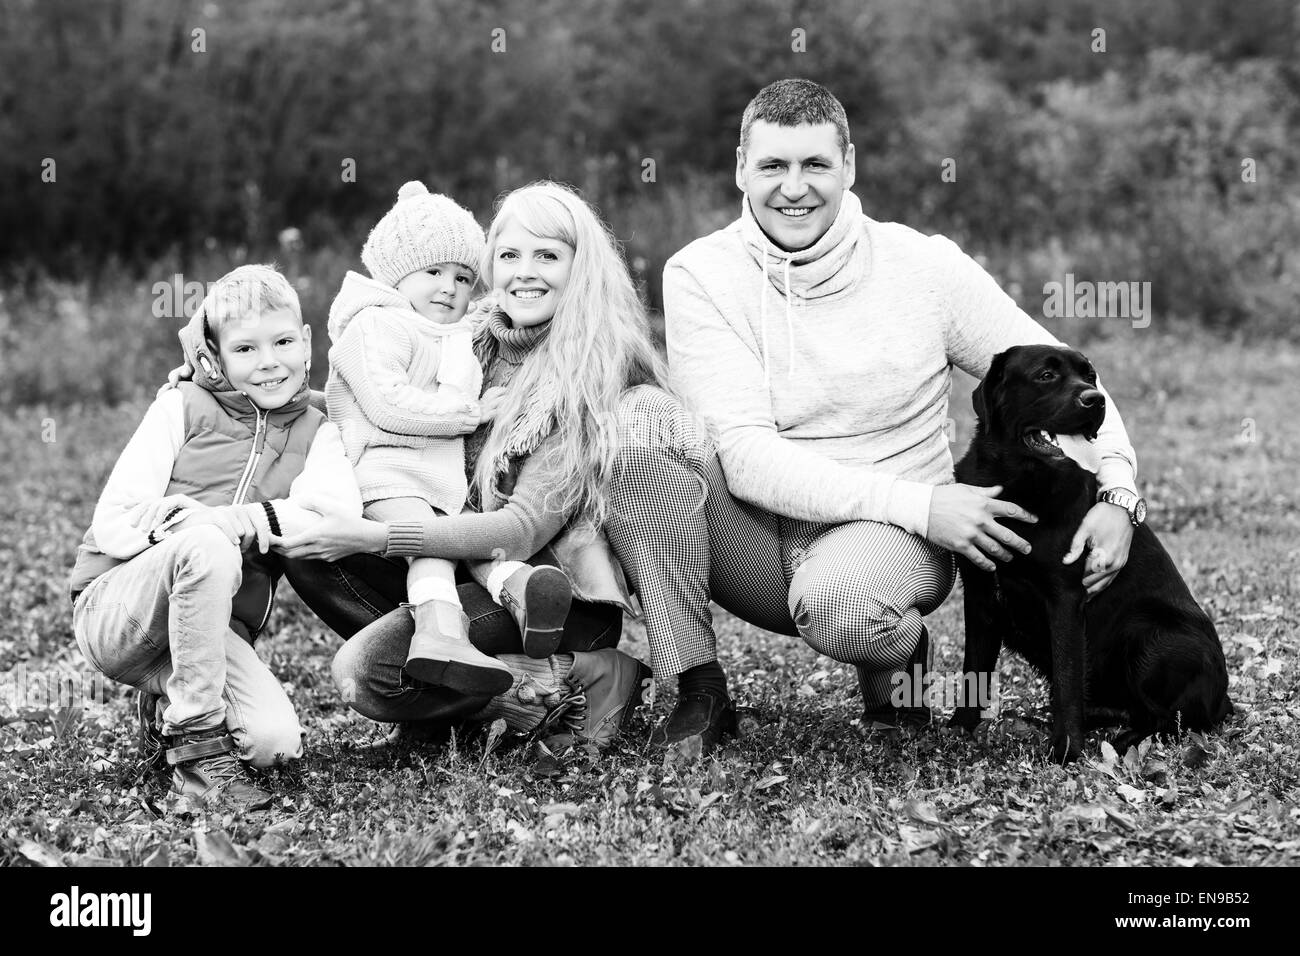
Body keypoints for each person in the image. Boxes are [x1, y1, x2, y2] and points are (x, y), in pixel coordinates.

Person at [660, 77, 1143, 739]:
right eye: (773, 164)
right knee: (638, 437)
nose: (793, 187)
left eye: (815, 165)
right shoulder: (699, 273)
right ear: (741, 166)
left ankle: (901, 658)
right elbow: (741, 454)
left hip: (890, 540)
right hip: (759, 535)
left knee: (839, 603)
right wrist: (925, 504)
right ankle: (699, 690)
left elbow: (1066, 372)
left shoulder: (924, 265)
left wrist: (1117, 496)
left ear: (849, 166)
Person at [273, 182, 675, 752]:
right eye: (509, 255)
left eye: (548, 255)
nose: (524, 272)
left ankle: (576, 673)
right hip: (465, 564)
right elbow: (375, 405)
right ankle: (449, 688)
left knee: (367, 674)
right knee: (308, 550)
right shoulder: (470, 336)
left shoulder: (588, 375)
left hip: (542, 592)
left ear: (581, 269)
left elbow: (517, 531)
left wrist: (380, 535)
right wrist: (247, 391)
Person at [68, 264, 363, 809]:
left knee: (275, 744)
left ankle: (169, 706)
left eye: (281, 342)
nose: (269, 361)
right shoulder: (179, 406)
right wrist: (192, 529)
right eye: (245, 349)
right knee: (207, 546)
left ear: (306, 342)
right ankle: (197, 748)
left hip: (210, 632)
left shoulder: (320, 428)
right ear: (215, 357)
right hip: (118, 612)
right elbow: (116, 517)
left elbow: (331, 514)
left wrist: (239, 520)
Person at [325, 181, 572, 698]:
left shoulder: (450, 332)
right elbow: (385, 403)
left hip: (438, 481)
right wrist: (471, 413)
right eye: (432, 272)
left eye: (463, 277)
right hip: (386, 476)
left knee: (465, 543)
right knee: (432, 552)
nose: (449, 288)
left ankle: (522, 591)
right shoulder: (373, 325)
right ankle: (442, 635)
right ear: (396, 274)